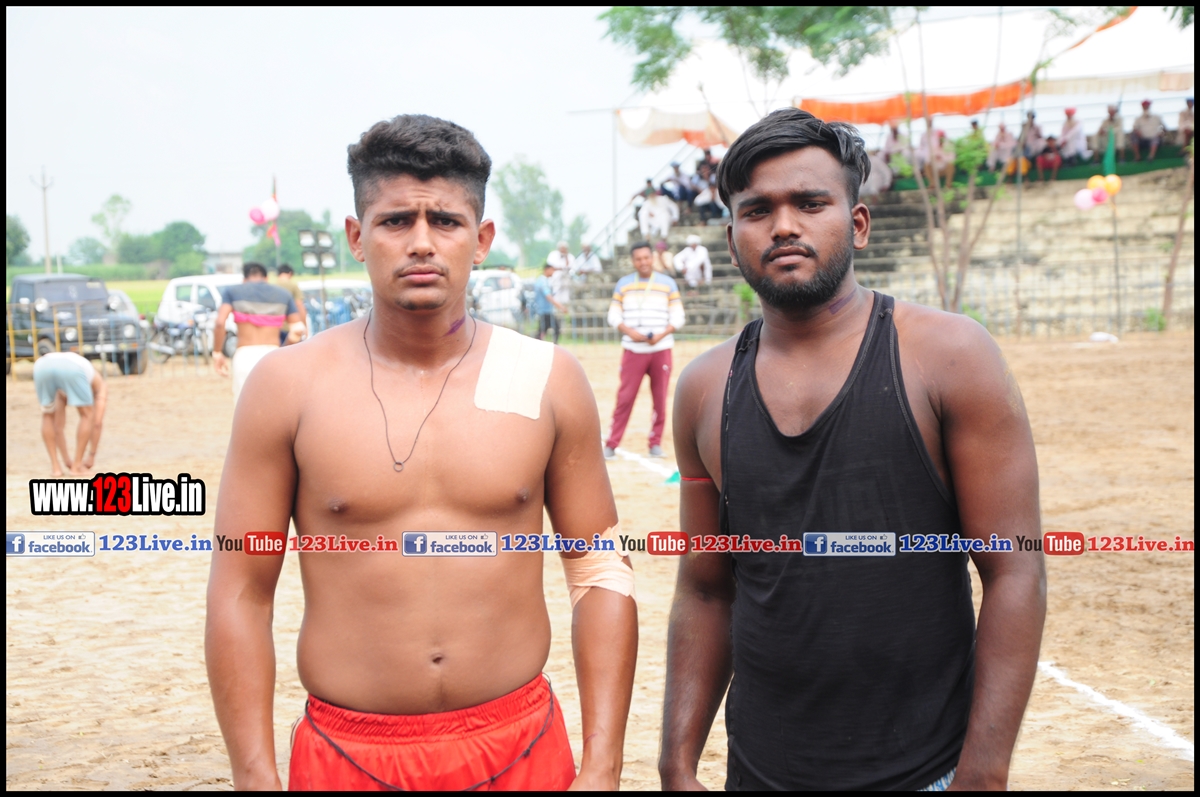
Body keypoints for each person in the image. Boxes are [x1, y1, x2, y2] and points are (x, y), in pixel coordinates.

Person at [206, 114, 636, 791]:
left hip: (519, 746)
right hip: (350, 753)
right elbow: (240, 591)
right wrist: (255, 776)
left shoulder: (546, 377)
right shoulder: (288, 386)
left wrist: (603, 765)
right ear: (357, 236)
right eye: (396, 221)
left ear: (482, 239)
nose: (422, 243)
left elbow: (599, 569)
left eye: (446, 221)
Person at [660, 107, 1045, 791]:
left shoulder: (951, 356)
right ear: (732, 239)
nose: (784, 226)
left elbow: (1014, 571)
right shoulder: (703, 389)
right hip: (759, 773)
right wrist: (677, 759)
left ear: (858, 223)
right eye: (757, 210)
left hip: (926, 772)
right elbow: (706, 586)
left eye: (810, 203)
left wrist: (983, 773)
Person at [603, 242, 684, 460]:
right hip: (633, 349)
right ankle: (611, 444)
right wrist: (629, 331)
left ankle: (655, 444)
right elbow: (613, 315)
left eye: (647, 258)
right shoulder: (624, 284)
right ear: (633, 261)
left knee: (660, 399)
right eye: (638, 259)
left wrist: (662, 334)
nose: (643, 262)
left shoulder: (667, 283)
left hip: (661, 348)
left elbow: (678, 316)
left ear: (652, 258)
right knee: (625, 398)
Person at [212, 262, 302, 405]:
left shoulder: (233, 292)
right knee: (274, 407)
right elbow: (297, 329)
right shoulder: (283, 294)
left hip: (244, 356)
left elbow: (219, 323)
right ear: (266, 278)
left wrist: (217, 352)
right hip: (273, 356)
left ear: (244, 279)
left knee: (244, 408)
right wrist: (284, 349)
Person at [32, 351, 107, 476]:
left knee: (48, 415)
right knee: (88, 415)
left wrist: (67, 460)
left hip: (41, 365)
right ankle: (77, 467)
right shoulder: (100, 385)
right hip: (71, 369)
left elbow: (58, 427)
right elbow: (97, 423)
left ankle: (56, 468)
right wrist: (91, 456)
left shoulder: (68, 382)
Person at [273, 264, 309, 345]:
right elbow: (299, 306)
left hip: (275, 328)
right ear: (290, 273)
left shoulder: (272, 286)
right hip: (291, 328)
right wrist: (304, 326)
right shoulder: (293, 286)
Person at [532, 262, 564, 343]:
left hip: (544, 310)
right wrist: (560, 306)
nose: (553, 272)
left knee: (543, 330)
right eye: (552, 270)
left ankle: (536, 344)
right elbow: (548, 296)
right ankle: (554, 345)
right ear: (546, 270)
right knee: (555, 328)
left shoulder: (542, 280)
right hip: (544, 310)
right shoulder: (543, 281)